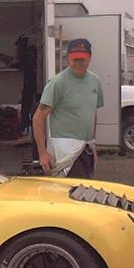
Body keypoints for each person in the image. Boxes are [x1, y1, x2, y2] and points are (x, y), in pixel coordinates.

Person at [32, 38, 104, 178]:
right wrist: (42, 153)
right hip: (65, 151)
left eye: (82, 59)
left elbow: (92, 113)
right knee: (72, 189)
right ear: (67, 59)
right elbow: (38, 118)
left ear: (90, 58)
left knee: (86, 187)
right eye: (74, 59)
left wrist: (93, 143)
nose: (78, 63)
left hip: (86, 149)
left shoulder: (95, 81)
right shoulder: (57, 83)